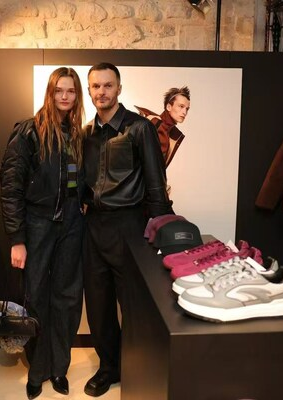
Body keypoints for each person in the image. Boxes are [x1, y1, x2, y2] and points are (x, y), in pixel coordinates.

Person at [82, 62, 173, 397]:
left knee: (134, 305)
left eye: (108, 85)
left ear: (119, 88)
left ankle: (137, 367)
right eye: (96, 86)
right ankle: (109, 367)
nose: (102, 92)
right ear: (89, 90)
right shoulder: (86, 133)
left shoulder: (139, 128)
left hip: (130, 225)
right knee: (98, 304)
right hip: (94, 226)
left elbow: (156, 182)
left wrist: (159, 228)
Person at [0, 67, 85, 400]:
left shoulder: (77, 134)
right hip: (37, 224)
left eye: (71, 91)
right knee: (35, 297)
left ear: (77, 95)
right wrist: (17, 239)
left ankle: (59, 368)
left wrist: (85, 201)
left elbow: (78, 180)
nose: (65, 96)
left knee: (67, 298)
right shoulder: (29, 131)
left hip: (72, 225)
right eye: (59, 90)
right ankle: (37, 371)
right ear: (50, 93)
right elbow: (11, 187)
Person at [135, 86, 190, 168]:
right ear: (169, 107)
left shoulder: (171, 133)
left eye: (187, 109)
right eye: (181, 106)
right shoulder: (153, 123)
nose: (185, 112)